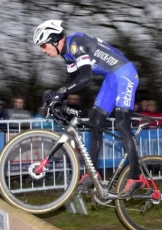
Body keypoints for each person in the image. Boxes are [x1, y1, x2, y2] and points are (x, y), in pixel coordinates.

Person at [33, 20, 142, 198]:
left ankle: (136, 177)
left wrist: (59, 93)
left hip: (125, 74)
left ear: (54, 39)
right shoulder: (67, 55)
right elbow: (72, 83)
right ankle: (94, 174)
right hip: (111, 79)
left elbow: (85, 79)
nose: (43, 50)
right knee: (94, 123)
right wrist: (58, 100)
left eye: (44, 45)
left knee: (122, 124)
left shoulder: (76, 43)